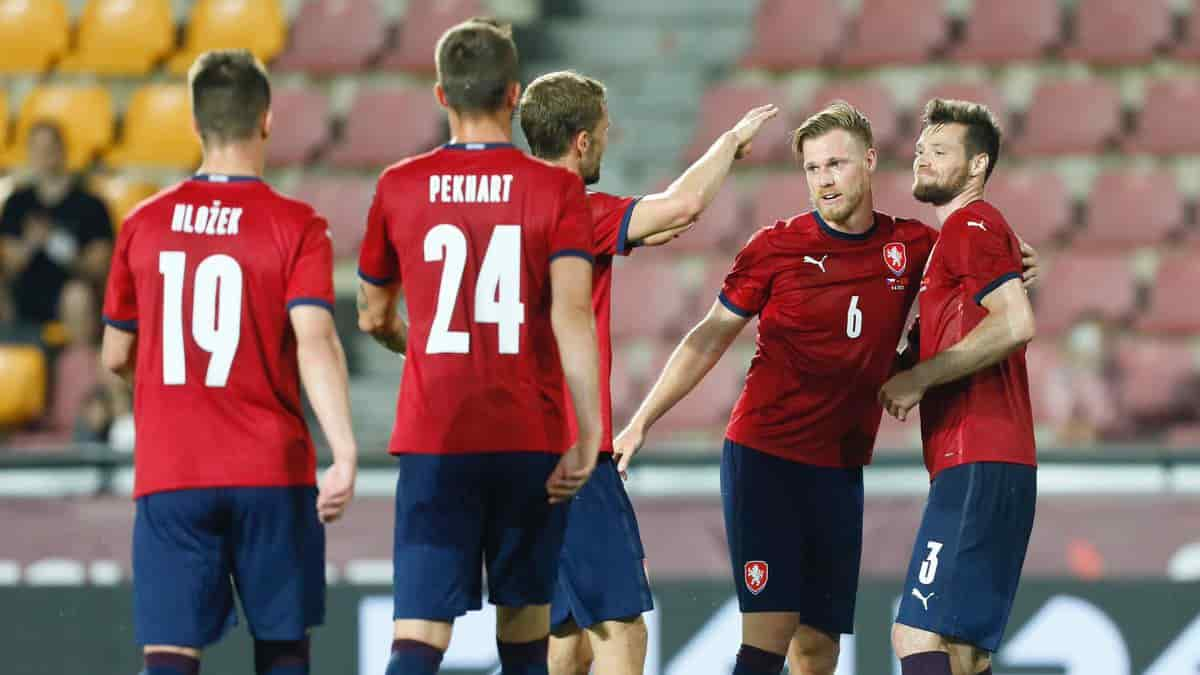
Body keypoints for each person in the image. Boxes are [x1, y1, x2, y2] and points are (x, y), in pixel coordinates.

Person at [613, 101, 1040, 675]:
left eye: (835, 164)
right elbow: (709, 336)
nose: (824, 181)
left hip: (839, 470)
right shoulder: (774, 247)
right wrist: (641, 420)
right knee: (768, 638)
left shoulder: (911, 245)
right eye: (812, 169)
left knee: (819, 649)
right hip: (766, 458)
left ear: (867, 161)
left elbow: (979, 261)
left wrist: (1016, 261)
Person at [355, 20, 603, 675]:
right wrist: (589, 432)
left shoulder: (398, 185)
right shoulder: (556, 190)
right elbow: (573, 316)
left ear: (441, 95)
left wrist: (419, 348)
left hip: (438, 434)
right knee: (525, 630)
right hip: (529, 432)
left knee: (419, 631)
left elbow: (372, 311)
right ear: (514, 94)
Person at [99, 49, 358, 675]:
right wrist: (344, 450)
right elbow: (315, 338)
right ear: (266, 120)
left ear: (194, 125)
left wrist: (170, 390)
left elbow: (115, 354)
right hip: (271, 469)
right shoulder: (296, 225)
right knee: (283, 646)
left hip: (173, 470)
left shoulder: (143, 224)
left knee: (170, 652)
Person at [517, 70, 778, 675]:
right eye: (604, 132)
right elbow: (681, 209)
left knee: (564, 634)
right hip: (570, 453)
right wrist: (729, 143)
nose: (608, 142)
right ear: (582, 141)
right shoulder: (574, 212)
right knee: (619, 629)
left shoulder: (504, 218)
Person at [880, 98, 1038, 675]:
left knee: (915, 633)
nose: (922, 159)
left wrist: (921, 376)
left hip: (975, 460)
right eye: (922, 149)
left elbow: (1018, 323)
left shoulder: (971, 224)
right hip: (1000, 464)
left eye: (940, 151)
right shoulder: (971, 236)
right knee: (965, 656)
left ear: (977, 166)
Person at [1, 120, 113, 326]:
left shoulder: (90, 204)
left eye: (49, 148)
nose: (43, 156)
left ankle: (80, 356)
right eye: (36, 149)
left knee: (76, 296)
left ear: (62, 151)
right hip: (24, 292)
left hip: (71, 292)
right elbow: (9, 262)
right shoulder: (16, 202)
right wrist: (31, 243)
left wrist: (56, 244)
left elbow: (98, 265)